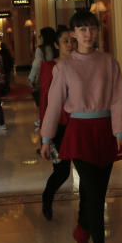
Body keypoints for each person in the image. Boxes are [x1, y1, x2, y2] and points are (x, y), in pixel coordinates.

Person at [40, 10, 122, 243]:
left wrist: (120, 131)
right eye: (82, 29)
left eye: (92, 28)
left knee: (94, 191)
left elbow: (117, 99)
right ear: (74, 34)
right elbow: (54, 104)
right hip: (79, 131)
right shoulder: (64, 67)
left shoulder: (109, 62)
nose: (88, 33)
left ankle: (81, 229)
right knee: (96, 195)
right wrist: (46, 138)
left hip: (104, 131)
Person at [39, 25, 75, 221]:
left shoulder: (81, 64)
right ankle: (47, 197)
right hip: (59, 126)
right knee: (61, 171)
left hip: (79, 124)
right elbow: (45, 101)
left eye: (72, 41)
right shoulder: (49, 67)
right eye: (65, 41)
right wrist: (46, 134)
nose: (70, 45)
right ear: (56, 44)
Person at [28, 27, 58, 108]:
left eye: (40, 36)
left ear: (44, 37)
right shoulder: (57, 47)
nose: (40, 38)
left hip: (45, 78)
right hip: (57, 76)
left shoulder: (41, 49)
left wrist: (31, 78)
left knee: (44, 101)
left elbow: (37, 65)